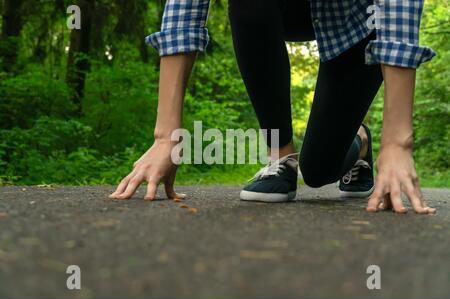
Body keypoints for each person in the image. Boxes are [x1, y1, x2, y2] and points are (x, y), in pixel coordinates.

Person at [110, 0, 436, 214]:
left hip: (357, 19)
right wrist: (166, 137)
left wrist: (396, 142)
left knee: (319, 170)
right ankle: (281, 158)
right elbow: (185, 9)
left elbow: (399, 7)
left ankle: (360, 142)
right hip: (279, 7)